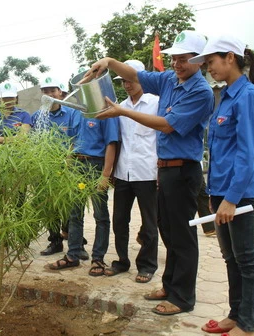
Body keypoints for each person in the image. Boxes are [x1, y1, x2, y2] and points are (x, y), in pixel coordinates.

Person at [83, 30, 214, 314]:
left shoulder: (200, 92)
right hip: (165, 169)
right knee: (167, 230)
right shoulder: (169, 79)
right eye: (174, 58)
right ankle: (170, 285)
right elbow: (135, 74)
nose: (177, 64)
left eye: (183, 59)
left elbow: (167, 125)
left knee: (181, 236)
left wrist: (123, 112)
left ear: (200, 61)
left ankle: (182, 298)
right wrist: (109, 61)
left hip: (183, 170)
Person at [189, 35, 254, 336]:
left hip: (239, 194)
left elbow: (248, 153)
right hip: (222, 193)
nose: (208, 68)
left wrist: (231, 198)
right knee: (230, 257)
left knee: (246, 259)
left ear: (230, 57)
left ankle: (248, 325)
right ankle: (235, 315)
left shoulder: (248, 96)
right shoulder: (228, 95)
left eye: (210, 62)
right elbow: (221, 152)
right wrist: (214, 195)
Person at [49, 101, 119, 276]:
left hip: (96, 165)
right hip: (77, 165)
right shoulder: (75, 112)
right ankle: (73, 254)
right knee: (74, 213)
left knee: (100, 214)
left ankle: (98, 258)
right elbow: (71, 141)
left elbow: (111, 143)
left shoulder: (105, 110)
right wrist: (68, 166)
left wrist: (105, 174)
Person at [104, 60, 159, 283]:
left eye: (131, 79)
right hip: (123, 173)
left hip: (148, 172)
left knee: (149, 222)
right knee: (119, 220)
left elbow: (162, 137)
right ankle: (122, 260)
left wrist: (160, 172)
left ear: (142, 78)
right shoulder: (119, 107)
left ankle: (147, 265)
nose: (127, 84)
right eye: (123, 80)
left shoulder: (156, 103)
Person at [31, 76, 88, 258]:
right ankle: (55, 241)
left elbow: (77, 140)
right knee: (49, 207)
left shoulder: (72, 114)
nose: (49, 94)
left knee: (72, 207)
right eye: (45, 91)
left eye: (52, 91)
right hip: (45, 169)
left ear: (61, 93)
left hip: (68, 167)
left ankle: (76, 244)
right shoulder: (37, 116)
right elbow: (33, 141)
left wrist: (68, 161)